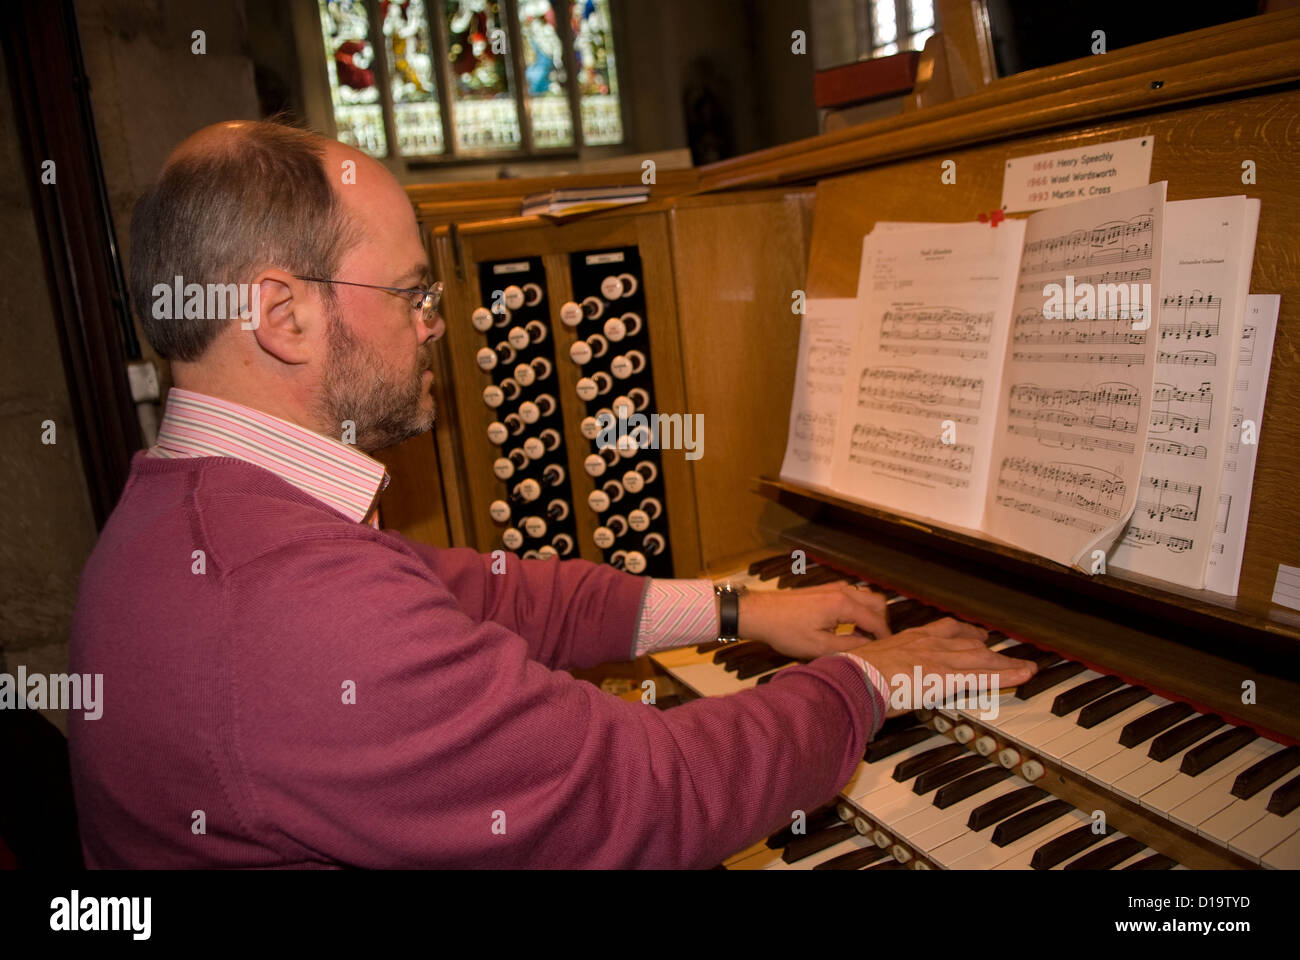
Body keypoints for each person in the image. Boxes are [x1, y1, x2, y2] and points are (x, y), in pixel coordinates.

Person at [68, 120, 1035, 868]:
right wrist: (872, 680)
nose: (437, 327)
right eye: (413, 295)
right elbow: (655, 796)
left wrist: (741, 605)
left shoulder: (192, 510)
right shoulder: (291, 603)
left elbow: (479, 595)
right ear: (284, 316)